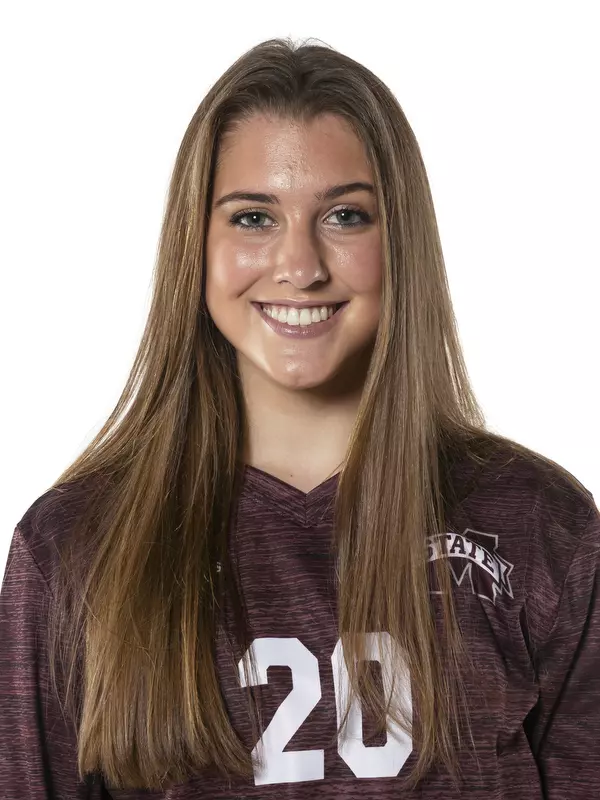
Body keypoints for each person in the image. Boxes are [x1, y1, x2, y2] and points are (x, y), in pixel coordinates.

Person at [1, 36, 599, 800]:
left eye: (346, 216)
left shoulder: (539, 525)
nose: (301, 264)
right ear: (198, 244)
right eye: (253, 217)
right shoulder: (76, 545)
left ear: (401, 241)